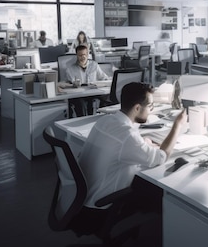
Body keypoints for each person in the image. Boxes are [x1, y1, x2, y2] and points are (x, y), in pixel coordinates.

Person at [78, 82, 186, 220]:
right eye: (150, 106)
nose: (151, 110)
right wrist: (177, 125)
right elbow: (161, 156)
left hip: (84, 196)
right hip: (100, 207)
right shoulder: (127, 136)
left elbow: (125, 143)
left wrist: (143, 142)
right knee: (159, 190)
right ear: (137, 108)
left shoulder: (106, 120)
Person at [65, 44, 110, 116]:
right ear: (76, 55)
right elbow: (69, 84)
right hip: (79, 94)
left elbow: (104, 77)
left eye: (84, 55)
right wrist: (73, 84)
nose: (82, 57)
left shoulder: (94, 65)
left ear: (88, 54)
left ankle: (102, 118)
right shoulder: (70, 69)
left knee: (106, 98)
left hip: (92, 92)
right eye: (80, 55)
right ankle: (83, 122)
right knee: (80, 103)